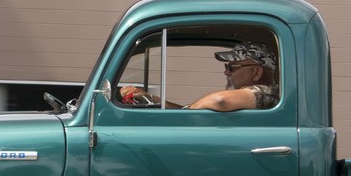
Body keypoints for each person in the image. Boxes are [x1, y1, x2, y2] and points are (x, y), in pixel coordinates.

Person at [119, 42, 279, 111]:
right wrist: (154, 100)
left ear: (257, 72)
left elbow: (219, 101)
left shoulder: (267, 92)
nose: (227, 72)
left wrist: (188, 114)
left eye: (232, 67)